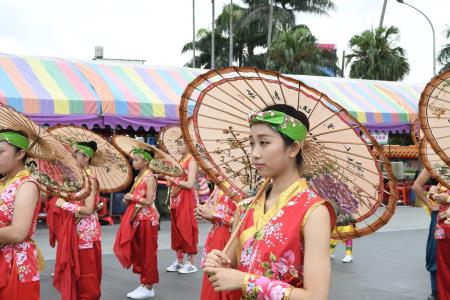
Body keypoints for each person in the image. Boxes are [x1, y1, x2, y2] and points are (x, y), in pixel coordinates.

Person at [203, 104, 336, 299]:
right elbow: (228, 265)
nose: (255, 153)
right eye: (251, 143)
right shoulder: (245, 207)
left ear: (293, 148)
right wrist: (216, 262)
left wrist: (244, 281)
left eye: (264, 143)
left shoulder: (314, 212)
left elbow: (317, 296)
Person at [54, 141, 102, 300]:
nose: (72, 157)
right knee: (78, 269)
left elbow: (88, 209)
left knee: (87, 271)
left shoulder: (90, 179)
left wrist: (65, 204)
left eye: (75, 154)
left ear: (86, 157)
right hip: (77, 227)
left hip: (85, 231)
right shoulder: (79, 177)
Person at [0, 129, 41, 299]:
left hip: (16, 263)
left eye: (1, 151)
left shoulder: (27, 185)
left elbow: (18, 232)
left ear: (20, 154)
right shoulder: (3, 181)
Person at [114, 148, 159, 299]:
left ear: (146, 161)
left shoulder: (150, 177)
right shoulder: (139, 176)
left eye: (136, 160)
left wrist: (133, 197)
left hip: (147, 219)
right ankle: (144, 282)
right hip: (138, 218)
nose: (133, 162)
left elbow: (149, 200)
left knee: (148, 253)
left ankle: (149, 286)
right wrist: (129, 198)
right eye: (133, 159)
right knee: (140, 251)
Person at [196, 178, 240, 300]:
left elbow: (245, 220)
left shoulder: (244, 185)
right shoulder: (221, 183)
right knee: (212, 282)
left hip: (230, 239)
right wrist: (205, 213)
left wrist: (215, 215)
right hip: (216, 236)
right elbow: (215, 212)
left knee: (225, 281)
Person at [165, 140, 199, 274]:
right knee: (177, 229)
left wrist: (173, 179)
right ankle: (179, 261)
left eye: (181, 144)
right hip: (176, 198)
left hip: (187, 198)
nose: (178, 146)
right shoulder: (180, 161)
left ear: (189, 145)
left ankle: (191, 262)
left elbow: (190, 184)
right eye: (177, 144)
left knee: (186, 227)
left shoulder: (192, 161)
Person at [412, 169, 440, 300]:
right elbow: (416, 185)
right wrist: (430, 204)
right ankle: (435, 291)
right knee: (435, 252)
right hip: (441, 215)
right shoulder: (435, 162)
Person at [428, 183, 450, 300]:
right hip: (443, 230)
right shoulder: (444, 175)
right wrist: (433, 194)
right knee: (444, 271)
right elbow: (438, 197)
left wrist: (448, 199)